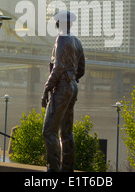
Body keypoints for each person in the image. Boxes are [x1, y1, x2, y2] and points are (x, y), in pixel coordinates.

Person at [41, 10, 85, 172]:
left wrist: (47, 88)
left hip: (61, 88)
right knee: (66, 132)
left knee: (49, 131)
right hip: (72, 87)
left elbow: (58, 66)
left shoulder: (61, 40)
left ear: (59, 24)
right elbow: (81, 70)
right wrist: (71, 78)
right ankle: (67, 170)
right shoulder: (77, 42)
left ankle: (54, 169)